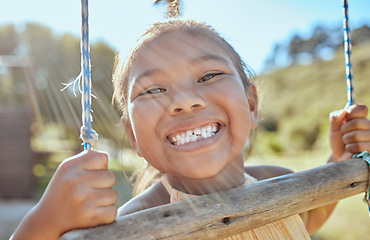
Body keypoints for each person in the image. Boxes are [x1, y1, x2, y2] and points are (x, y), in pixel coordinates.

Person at [11, 19, 370, 239]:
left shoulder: (278, 179)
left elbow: (309, 219)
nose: (184, 101)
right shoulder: (134, 224)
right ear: (133, 135)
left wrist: (337, 162)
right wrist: (43, 224)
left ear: (251, 104)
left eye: (209, 75)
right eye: (153, 90)